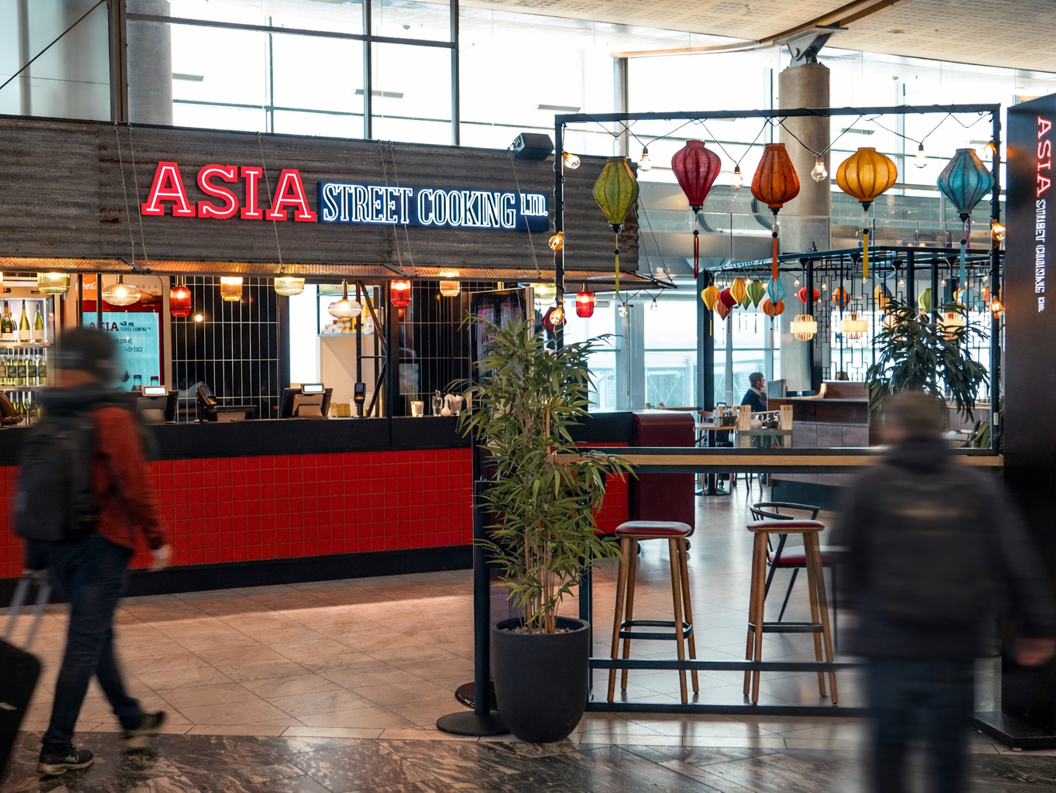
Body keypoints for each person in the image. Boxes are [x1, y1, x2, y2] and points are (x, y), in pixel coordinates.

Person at [835, 391, 1054, 793]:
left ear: (893, 428)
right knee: (947, 751)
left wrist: (851, 613)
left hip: (888, 640)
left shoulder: (870, 484)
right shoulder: (973, 485)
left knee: (888, 748)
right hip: (953, 640)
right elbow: (1013, 556)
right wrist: (1037, 624)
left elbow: (850, 559)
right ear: (938, 429)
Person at [22, 328, 172, 777]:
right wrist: (159, 538)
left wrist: (36, 556)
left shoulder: (51, 414)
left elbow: (35, 488)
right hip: (102, 547)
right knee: (85, 643)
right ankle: (56, 747)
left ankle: (132, 721)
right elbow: (135, 485)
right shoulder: (112, 415)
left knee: (97, 636)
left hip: (59, 545)